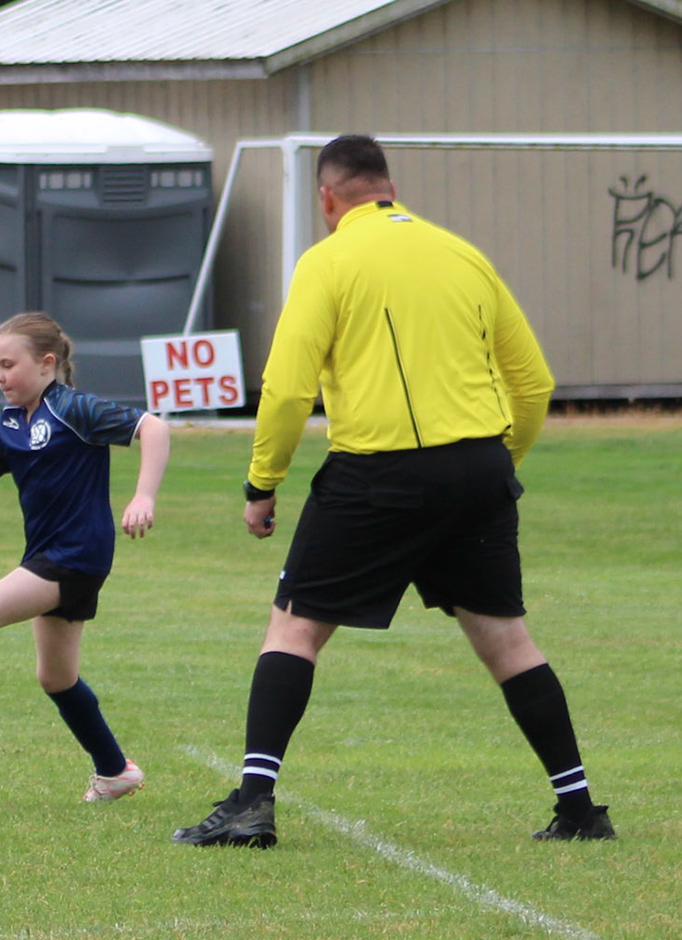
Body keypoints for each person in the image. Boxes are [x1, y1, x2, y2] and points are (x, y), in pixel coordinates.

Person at [175, 134, 613, 849]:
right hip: (478, 470)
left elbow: (287, 388)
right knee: (506, 638)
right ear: (390, 187)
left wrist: (262, 482)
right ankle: (581, 809)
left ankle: (252, 802)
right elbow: (533, 383)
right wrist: (496, 465)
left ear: (327, 197)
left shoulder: (328, 261)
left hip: (377, 475)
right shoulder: (462, 254)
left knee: (295, 629)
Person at [0, 311, 170, 802]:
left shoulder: (74, 408)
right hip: (51, 555)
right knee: (57, 677)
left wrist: (143, 495)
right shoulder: (9, 423)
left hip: (74, 555)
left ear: (46, 364)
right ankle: (114, 770)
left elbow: (154, 428)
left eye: (8, 365)